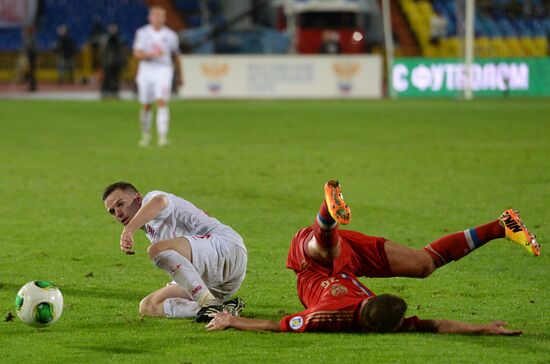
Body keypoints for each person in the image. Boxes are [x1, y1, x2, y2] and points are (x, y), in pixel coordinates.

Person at [206, 180, 540, 333]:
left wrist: (231, 320)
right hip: (349, 265)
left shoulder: (327, 317)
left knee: (322, 251)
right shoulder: (368, 319)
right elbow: (435, 326)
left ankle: (328, 214)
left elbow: (276, 325)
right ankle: (502, 226)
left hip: (312, 265)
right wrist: (479, 328)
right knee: (423, 265)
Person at [102, 182, 247, 322]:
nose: (118, 213)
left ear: (138, 198)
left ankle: (209, 303)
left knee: (157, 249)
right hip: (219, 281)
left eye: (121, 204)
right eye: (112, 211)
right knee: (148, 305)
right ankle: (222, 310)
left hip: (225, 246)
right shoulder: (150, 228)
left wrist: (128, 229)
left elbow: (160, 201)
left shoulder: (152, 199)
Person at [133, 6, 183, 147]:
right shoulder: (142, 33)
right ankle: (146, 135)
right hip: (146, 71)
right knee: (146, 105)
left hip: (163, 70)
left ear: (164, 18)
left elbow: (176, 55)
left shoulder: (171, 35)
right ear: (149, 18)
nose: (157, 18)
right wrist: (152, 54)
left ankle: (162, 137)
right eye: (154, 16)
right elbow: (137, 54)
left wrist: (180, 75)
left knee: (162, 102)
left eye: (160, 16)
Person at [100, 23, 125, 99]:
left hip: (116, 62)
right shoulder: (105, 38)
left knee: (115, 78)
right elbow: (103, 52)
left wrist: (121, 61)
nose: (113, 30)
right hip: (108, 62)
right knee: (107, 78)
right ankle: (105, 92)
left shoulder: (119, 39)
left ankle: (115, 92)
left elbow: (121, 52)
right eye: (111, 28)